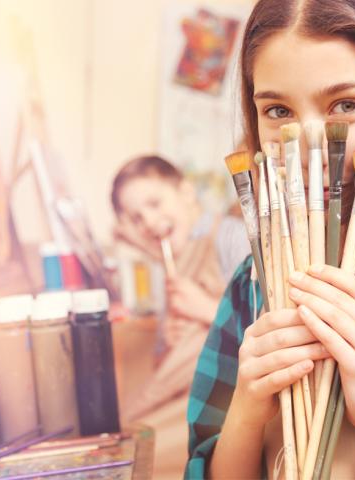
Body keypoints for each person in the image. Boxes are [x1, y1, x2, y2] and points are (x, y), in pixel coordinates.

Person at [185, 1, 355, 479]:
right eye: (277, 110)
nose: (310, 144)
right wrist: (248, 410)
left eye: (346, 105)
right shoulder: (254, 281)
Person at [110, 155, 250, 479]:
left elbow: (268, 314)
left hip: (228, 398)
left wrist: (205, 308)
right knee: (127, 445)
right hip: (181, 395)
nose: (149, 220)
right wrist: (169, 343)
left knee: (139, 458)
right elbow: (163, 367)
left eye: (155, 203)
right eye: (137, 217)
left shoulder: (229, 236)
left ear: (187, 193)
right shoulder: (167, 267)